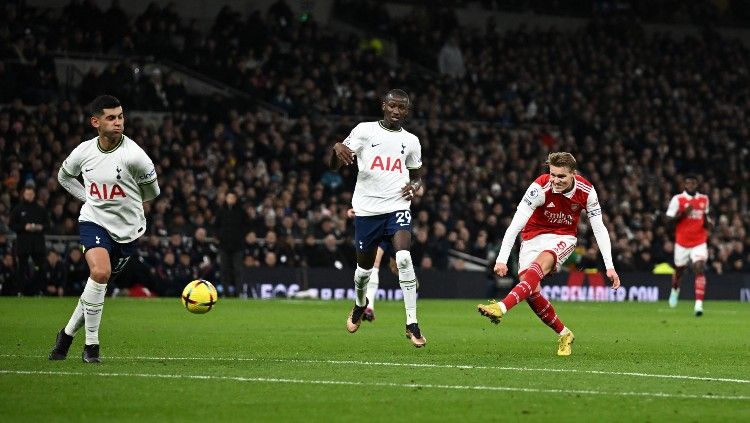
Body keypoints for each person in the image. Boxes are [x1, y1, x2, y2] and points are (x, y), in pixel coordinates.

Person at [48, 95, 160, 363]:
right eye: (111, 118)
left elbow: (152, 193)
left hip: (128, 230)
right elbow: (64, 176)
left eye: (120, 116)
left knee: (96, 285)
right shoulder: (84, 151)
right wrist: (88, 198)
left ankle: (64, 337)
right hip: (93, 220)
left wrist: (126, 205)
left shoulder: (135, 157)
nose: (118, 122)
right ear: (95, 122)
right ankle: (92, 346)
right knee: (100, 272)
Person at [477, 152, 620, 356]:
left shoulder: (587, 191)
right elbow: (515, 225)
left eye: (561, 176)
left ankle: (502, 306)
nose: (555, 180)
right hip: (532, 237)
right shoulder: (539, 188)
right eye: (552, 174)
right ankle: (565, 333)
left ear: (573, 174)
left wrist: (610, 266)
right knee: (531, 291)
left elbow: (599, 229)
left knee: (541, 263)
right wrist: (501, 259)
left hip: (563, 237)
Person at [329, 89, 427, 347]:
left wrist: (414, 187)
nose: (396, 111)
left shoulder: (412, 141)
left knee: (404, 258)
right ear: (384, 106)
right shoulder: (364, 131)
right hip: (367, 211)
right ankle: (360, 304)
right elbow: (334, 164)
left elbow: (417, 177)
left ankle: (412, 323)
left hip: (397, 206)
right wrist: (336, 148)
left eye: (401, 108)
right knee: (363, 272)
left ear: (407, 111)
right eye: (392, 106)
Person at [665, 174, 711, 316]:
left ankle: (698, 305)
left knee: (699, 267)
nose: (690, 185)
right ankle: (675, 289)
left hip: (699, 241)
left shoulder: (704, 199)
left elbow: (705, 219)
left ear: (697, 184)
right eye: (688, 183)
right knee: (679, 272)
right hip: (682, 243)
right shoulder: (678, 199)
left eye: (693, 183)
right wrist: (683, 214)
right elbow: (668, 221)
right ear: (684, 185)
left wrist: (709, 223)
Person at [8, 184, 50, 295]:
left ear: (34, 194)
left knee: (40, 268)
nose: (29, 196)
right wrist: (24, 227)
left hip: (38, 244)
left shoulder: (40, 209)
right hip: (23, 243)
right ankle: (20, 291)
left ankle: (39, 290)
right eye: (27, 194)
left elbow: (48, 225)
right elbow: (11, 225)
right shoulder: (18, 209)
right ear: (24, 194)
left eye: (31, 194)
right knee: (22, 269)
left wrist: (41, 227)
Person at [215, 191, 250, 297]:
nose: (230, 199)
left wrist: (242, 237)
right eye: (229, 197)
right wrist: (217, 236)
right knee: (224, 270)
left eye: (232, 197)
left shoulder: (241, 212)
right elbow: (216, 226)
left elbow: (247, 226)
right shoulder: (221, 211)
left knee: (238, 270)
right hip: (224, 245)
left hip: (237, 246)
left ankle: (238, 292)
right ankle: (225, 292)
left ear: (236, 199)